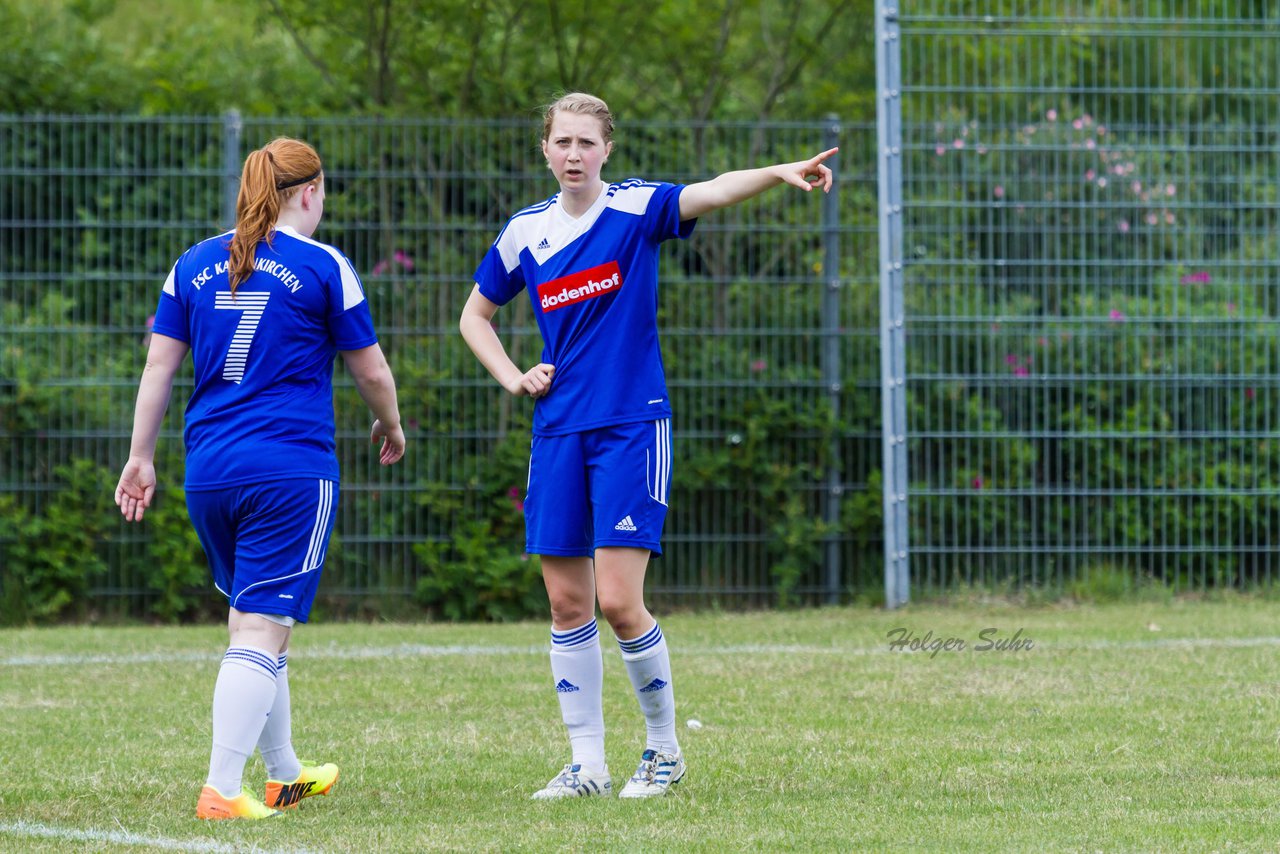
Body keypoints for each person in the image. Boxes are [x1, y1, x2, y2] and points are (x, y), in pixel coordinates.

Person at [460, 92, 835, 799]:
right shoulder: (525, 233)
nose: (574, 155)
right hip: (558, 429)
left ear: (608, 150)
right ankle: (588, 766)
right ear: (545, 150)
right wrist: (513, 375)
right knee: (567, 605)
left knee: (618, 602)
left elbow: (713, 190)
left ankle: (664, 751)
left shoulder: (636, 209)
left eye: (586, 144)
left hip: (633, 425)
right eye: (562, 142)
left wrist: (777, 170)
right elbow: (475, 316)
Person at [115, 137, 406, 820]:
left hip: (209, 469)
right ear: (310, 192)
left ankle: (283, 774)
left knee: (257, 619)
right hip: (289, 468)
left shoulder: (191, 262)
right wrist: (391, 425)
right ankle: (221, 788)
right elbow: (370, 369)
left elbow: (158, 369)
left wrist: (140, 456)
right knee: (260, 627)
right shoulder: (324, 264)